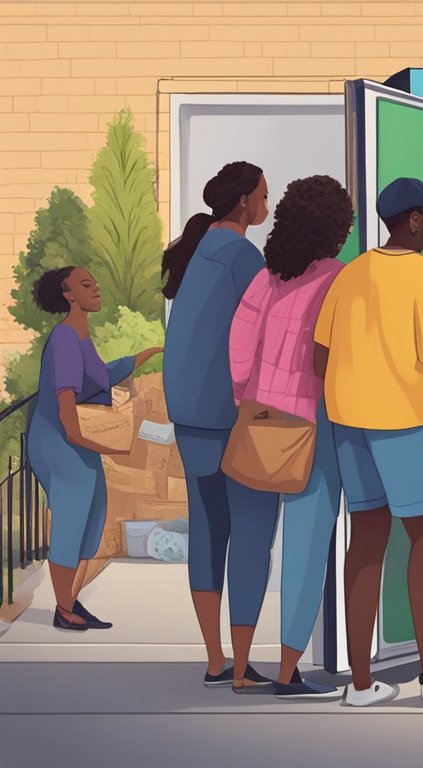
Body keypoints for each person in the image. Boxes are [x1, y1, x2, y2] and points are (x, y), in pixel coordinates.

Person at [314, 177, 423, 707]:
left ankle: (363, 684)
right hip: (396, 422)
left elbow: (319, 358)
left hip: (347, 423)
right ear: (413, 221)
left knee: (367, 537)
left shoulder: (350, 274)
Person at [228, 175, 352, 700]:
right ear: (336, 228)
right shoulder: (338, 280)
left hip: (258, 420)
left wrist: (248, 401)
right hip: (313, 427)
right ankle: (286, 673)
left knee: (250, 545)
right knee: (305, 549)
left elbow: (238, 350)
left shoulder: (265, 277)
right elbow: (338, 359)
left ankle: (238, 668)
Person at [162, 161, 279, 691]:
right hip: (233, 416)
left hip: (190, 414)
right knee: (252, 535)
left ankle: (214, 660)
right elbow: (270, 329)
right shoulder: (241, 254)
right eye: (262, 196)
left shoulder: (201, 248)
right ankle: (241, 668)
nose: (266, 205)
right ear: (242, 203)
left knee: (208, 534)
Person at [27, 267, 161, 631]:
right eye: (86, 285)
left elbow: (103, 374)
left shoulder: (81, 335)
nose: (96, 288)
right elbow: (66, 402)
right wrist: (90, 440)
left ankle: (68, 602)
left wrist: (145, 354)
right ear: (68, 295)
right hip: (62, 442)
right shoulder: (65, 339)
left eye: (94, 283)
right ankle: (64, 609)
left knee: (93, 521)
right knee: (72, 523)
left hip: (80, 445)